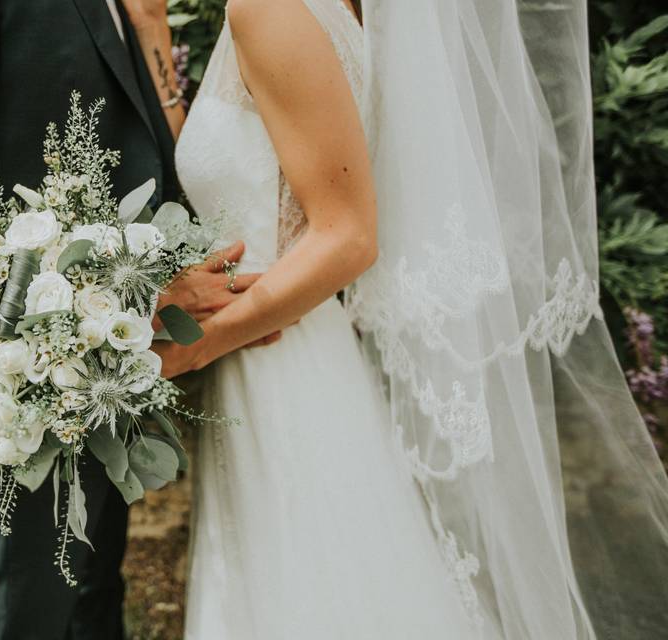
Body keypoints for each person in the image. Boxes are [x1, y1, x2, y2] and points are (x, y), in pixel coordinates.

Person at [142, 0, 668, 637]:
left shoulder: (271, 9)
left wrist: (200, 344)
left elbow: (349, 237)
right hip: (284, 346)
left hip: (278, 358)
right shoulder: (339, 12)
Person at [0, 2, 271, 638]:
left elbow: (134, 141)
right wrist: (128, 300)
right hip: (31, 374)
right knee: (46, 614)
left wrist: (148, 29)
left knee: (92, 604)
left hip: (109, 375)